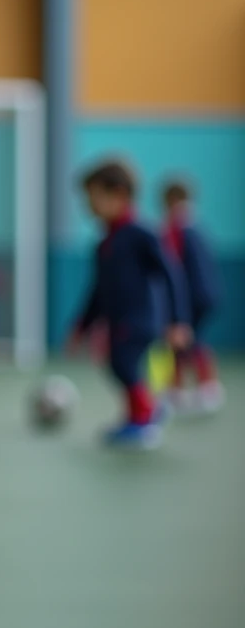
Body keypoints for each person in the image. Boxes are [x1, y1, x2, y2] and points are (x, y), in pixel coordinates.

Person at [69, 160, 190, 449]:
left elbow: (170, 274)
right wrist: (82, 326)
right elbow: (97, 291)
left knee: (124, 365)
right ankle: (140, 413)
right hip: (118, 319)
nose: (89, 205)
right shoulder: (104, 243)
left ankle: (144, 419)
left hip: (140, 319)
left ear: (119, 194)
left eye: (95, 196)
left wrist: (178, 320)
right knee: (118, 365)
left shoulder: (142, 233)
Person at [159, 178, 224, 414]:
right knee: (186, 342)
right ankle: (180, 390)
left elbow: (174, 268)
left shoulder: (178, 228)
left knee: (185, 340)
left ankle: (206, 389)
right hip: (206, 296)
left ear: (171, 200)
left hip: (193, 297)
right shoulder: (195, 226)